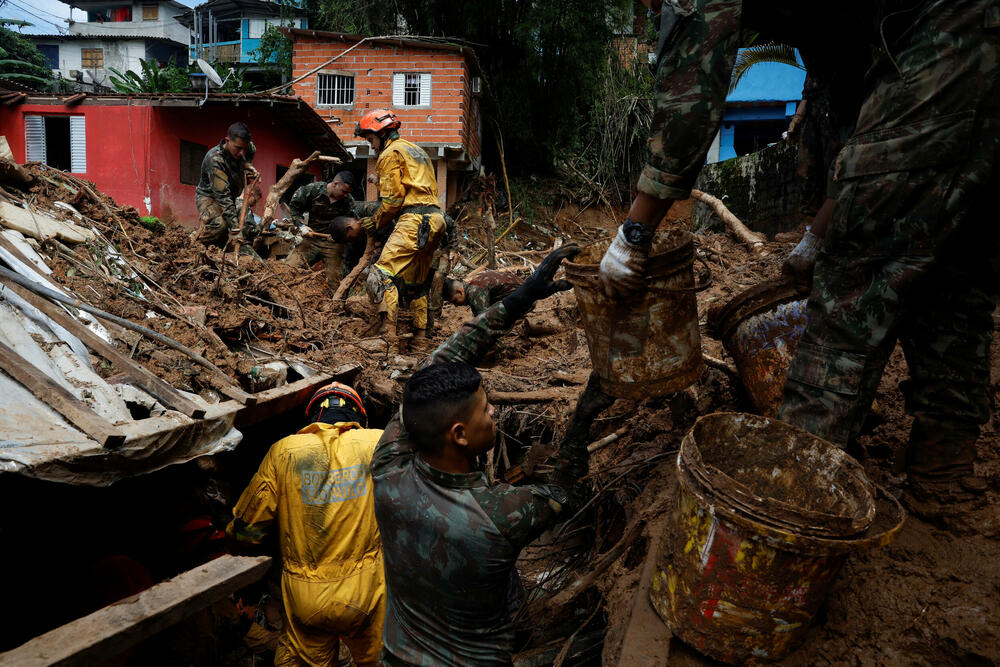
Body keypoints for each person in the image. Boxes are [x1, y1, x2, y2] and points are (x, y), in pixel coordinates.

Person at [599, 0, 999, 522]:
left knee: (853, 289)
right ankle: (944, 478)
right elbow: (874, 118)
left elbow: (690, 95)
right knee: (957, 261)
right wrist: (819, 229)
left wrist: (634, 231)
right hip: (973, 41)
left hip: (947, 38)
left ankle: (783, 508)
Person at [371, 245, 617, 666]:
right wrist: (582, 421)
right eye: (486, 408)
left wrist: (519, 300)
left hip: (395, 656)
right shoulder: (499, 515)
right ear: (460, 435)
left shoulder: (388, 466)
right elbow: (565, 491)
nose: (494, 412)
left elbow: (439, 363)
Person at [227, 382, 386, 666]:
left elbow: (247, 530)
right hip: (368, 593)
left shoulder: (283, 452)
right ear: (358, 414)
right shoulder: (377, 443)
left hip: (306, 597)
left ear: (313, 416)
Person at [354, 109, 454, 347]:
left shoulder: (390, 153)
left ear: (381, 133)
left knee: (379, 274)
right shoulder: (416, 149)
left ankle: (387, 336)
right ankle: (420, 341)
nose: (371, 147)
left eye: (370, 140)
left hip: (414, 220)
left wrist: (376, 221)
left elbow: (392, 201)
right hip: (436, 219)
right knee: (415, 284)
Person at [285, 172, 369, 289]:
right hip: (311, 238)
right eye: (344, 192)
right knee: (288, 269)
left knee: (335, 281)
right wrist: (301, 226)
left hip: (333, 243)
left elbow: (353, 223)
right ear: (335, 184)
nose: (346, 195)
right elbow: (294, 208)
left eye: (348, 193)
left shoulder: (348, 201)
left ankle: (333, 304)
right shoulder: (313, 190)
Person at [194, 122, 260, 254]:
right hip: (210, 197)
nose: (242, 153)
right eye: (238, 148)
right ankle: (195, 245)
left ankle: (236, 250)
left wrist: (248, 166)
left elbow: (247, 156)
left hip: (232, 196)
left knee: (249, 228)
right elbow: (223, 198)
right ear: (227, 140)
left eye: (245, 149)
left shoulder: (248, 148)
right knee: (221, 226)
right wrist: (235, 229)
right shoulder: (215, 160)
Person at [442, 270, 525, 317]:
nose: (456, 305)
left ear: (459, 291)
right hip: (521, 294)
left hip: (524, 300)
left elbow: (484, 321)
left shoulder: (474, 291)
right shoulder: (472, 282)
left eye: (455, 301)